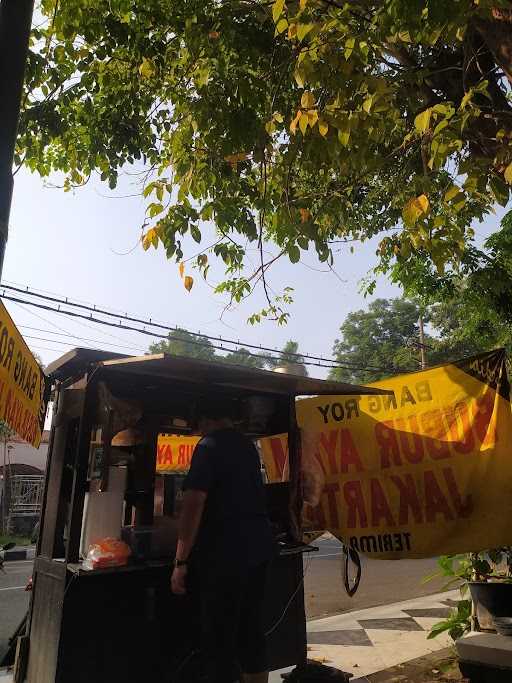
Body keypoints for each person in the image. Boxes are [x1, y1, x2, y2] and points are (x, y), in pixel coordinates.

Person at [171, 396, 273, 683]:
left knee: (219, 637)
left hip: (226, 555)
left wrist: (180, 561)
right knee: (251, 628)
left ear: (205, 420)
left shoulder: (208, 446)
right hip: (258, 548)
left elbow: (194, 503)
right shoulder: (247, 447)